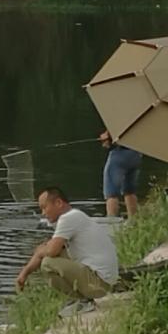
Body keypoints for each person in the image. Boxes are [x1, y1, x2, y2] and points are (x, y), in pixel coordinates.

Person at [16, 187, 119, 317]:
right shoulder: (74, 218)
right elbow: (46, 250)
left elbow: (51, 251)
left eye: (44, 207)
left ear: (58, 203)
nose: (43, 213)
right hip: (104, 281)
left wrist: (42, 251)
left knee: (48, 263)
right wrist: (24, 273)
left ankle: (82, 301)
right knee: (51, 256)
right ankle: (81, 300)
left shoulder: (69, 218)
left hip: (99, 283)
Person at [99, 130, 142, 217]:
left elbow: (115, 133)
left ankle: (111, 224)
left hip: (119, 154)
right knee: (129, 191)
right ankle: (134, 221)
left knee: (111, 193)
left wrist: (107, 136)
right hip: (136, 154)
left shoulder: (119, 120)